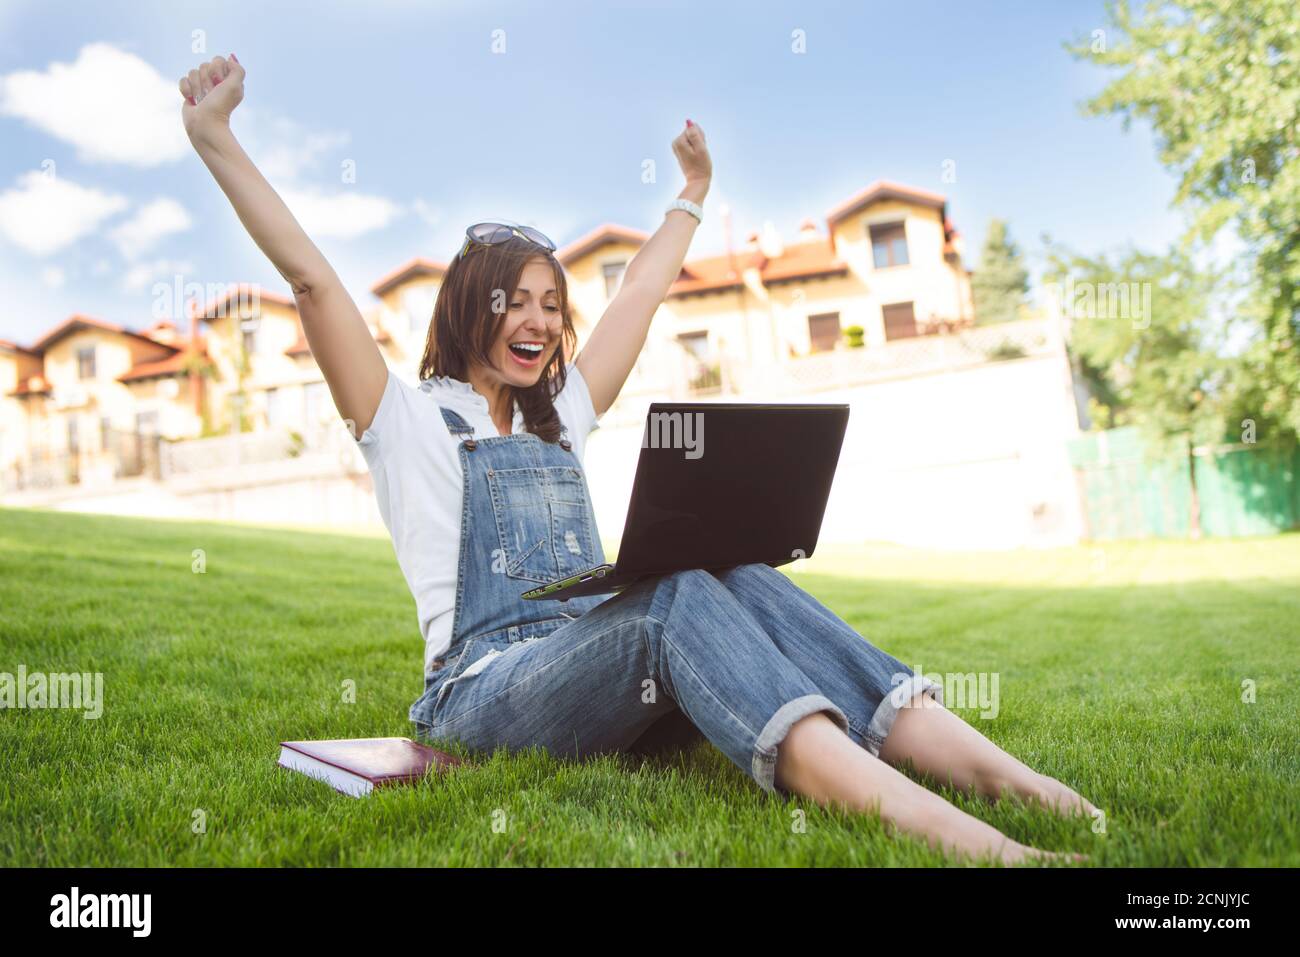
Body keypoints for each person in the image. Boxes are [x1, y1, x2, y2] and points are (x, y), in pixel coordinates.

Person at [179, 54, 1095, 865]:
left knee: (733, 569)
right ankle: (981, 846)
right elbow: (312, 280)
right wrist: (215, 137)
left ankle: (1036, 792)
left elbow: (642, 296)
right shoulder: (403, 422)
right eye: (515, 300)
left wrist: (691, 194)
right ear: (468, 305)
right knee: (672, 596)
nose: (539, 321)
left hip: (604, 678)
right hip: (484, 694)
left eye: (551, 304)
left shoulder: (559, 418)